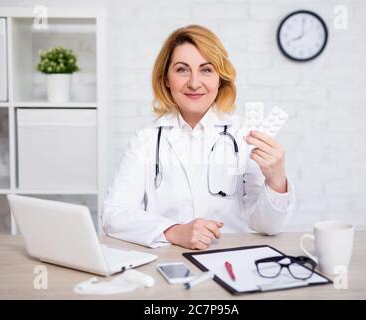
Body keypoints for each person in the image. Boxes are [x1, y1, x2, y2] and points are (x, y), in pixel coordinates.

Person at [102, 25, 295, 250]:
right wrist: (174, 231)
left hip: (230, 258)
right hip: (169, 260)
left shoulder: (244, 135)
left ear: (220, 78)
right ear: (166, 78)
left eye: (206, 70)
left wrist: (276, 180)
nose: (194, 83)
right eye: (182, 70)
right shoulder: (146, 138)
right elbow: (114, 214)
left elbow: (268, 226)